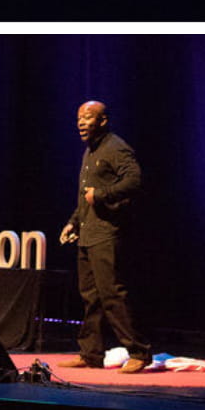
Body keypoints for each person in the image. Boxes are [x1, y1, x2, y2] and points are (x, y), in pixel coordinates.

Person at [59, 100, 152, 373]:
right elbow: (85, 196)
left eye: (88, 117)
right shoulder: (90, 152)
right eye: (78, 117)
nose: (81, 122)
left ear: (103, 120)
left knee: (112, 294)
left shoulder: (115, 147)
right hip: (88, 232)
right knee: (90, 297)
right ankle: (90, 354)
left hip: (107, 233)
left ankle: (139, 351)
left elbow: (134, 180)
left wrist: (102, 195)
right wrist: (73, 222)